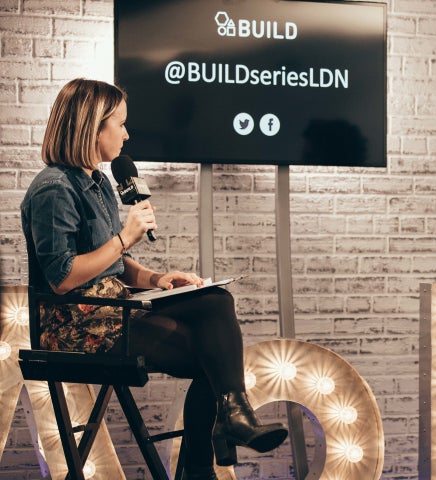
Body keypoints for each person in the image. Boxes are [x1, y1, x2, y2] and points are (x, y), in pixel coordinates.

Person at [20, 78, 288, 480]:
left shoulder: (97, 183)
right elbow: (62, 278)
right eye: (120, 124)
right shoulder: (53, 190)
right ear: (91, 127)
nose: (127, 135)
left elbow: (114, 261)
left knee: (214, 300)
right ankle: (203, 464)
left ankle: (231, 420)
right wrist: (126, 236)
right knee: (210, 355)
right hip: (74, 324)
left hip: (113, 306)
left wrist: (156, 278)